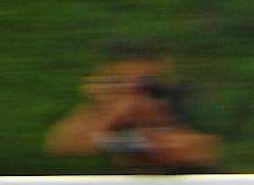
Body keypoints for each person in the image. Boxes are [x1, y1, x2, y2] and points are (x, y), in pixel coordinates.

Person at [44, 43, 221, 173]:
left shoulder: (181, 98)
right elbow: (63, 144)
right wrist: (100, 107)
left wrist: (131, 136)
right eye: (119, 81)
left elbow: (183, 148)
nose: (132, 91)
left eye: (144, 82)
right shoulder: (112, 113)